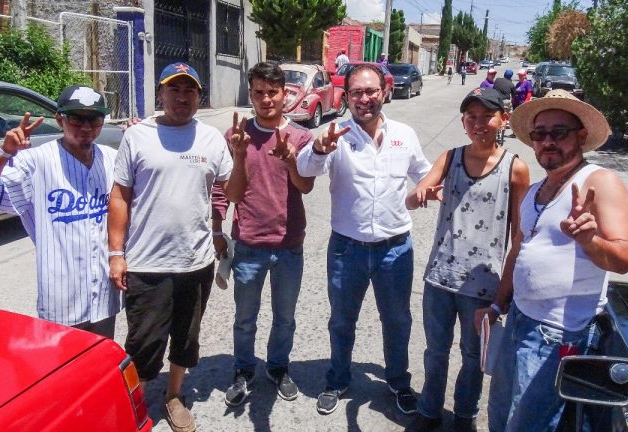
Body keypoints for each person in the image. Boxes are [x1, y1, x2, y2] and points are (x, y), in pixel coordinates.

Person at [477, 89, 628, 432]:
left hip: (557, 334)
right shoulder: (536, 190)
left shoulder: (600, 182)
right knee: (500, 413)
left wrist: (589, 240)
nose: (547, 141)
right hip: (520, 318)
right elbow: (518, 251)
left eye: (558, 132)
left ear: (580, 135)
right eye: (540, 134)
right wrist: (497, 306)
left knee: (528, 424)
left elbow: (624, 258)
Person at [296, 63, 431, 416]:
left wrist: (445, 188)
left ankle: (398, 381)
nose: (365, 99)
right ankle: (338, 379)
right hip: (347, 249)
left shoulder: (405, 134)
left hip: (395, 249)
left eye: (371, 91)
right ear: (347, 96)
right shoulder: (335, 133)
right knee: (342, 319)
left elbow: (426, 174)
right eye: (356, 92)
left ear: (385, 91)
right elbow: (304, 169)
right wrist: (320, 149)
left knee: (398, 320)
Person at [108, 62, 233, 432]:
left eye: (189, 90)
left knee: (186, 337)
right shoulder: (137, 136)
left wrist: (240, 156)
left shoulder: (211, 138)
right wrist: (116, 253)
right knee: (143, 343)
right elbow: (120, 195)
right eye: (174, 89)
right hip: (147, 262)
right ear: (160, 94)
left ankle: (174, 396)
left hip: (195, 262)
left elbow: (231, 189)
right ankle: (132, 406)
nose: (182, 97)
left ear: (198, 96)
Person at [405, 88, 530, 432]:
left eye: (487, 116)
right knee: (436, 352)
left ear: (503, 119)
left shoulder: (515, 169)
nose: (479, 123)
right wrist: (420, 194)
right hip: (439, 279)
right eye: (471, 117)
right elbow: (412, 200)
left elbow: (519, 235)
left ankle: (464, 417)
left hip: (483, 285)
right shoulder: (451, 158)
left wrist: (506, 291)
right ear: (463, 122)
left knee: (474, 358)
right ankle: (429, 412)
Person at [0, 85, 122, 338]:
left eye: (94, 119)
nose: (86, 127)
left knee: (98, 370)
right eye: (76, 118)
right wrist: (4, 152)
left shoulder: (112, 158)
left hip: (105, 294)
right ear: (59, 119)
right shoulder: (35, 162)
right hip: (62, 301)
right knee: (63, 372)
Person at [211, 62, 316, 407]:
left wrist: (290, 161)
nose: (266, 99)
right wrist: (239, 156)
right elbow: (234, 195)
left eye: (273, 92)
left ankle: (278, 367)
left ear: (285, 93)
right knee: (245, 318)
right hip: (250, 245)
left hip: (289, 246)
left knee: (285, 317)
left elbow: (306, 186)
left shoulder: (301, 136)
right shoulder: (236, 135)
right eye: (259, 92)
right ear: (251, 94)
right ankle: (243, 370)